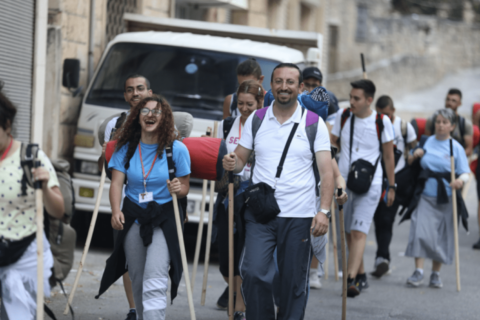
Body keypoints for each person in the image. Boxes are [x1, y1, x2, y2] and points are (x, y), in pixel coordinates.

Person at [223, 63, 334, 320]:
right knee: (254, 272)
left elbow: (326, 172)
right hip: (261, 212)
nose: (284, 87)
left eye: (290, 82)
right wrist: (232, 162)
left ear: (301, 87)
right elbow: (240, 160)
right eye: (279, 81)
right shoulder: (257, 119)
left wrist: (323, 211)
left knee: (293, 283)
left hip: (299, 215)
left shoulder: (314, 124)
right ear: (271, 86)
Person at [95, 95, 191, 320]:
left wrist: (179, 187)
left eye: (156, 111)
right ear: (137, 117)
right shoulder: (125, 149)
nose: (151, 115)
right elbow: (117, 183)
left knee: (155, 276)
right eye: (145, 111)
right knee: (137, 276)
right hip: (133, 214)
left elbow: (185, 185)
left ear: (165, 118)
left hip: (164, 216)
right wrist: (115, 210)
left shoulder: (176, 149)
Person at [0, 91, 65, 319]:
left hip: (25, 254)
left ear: (7, 125)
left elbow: (58, 210)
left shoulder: (31, 157)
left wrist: (46, 186)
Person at [330, 79, 396, 298]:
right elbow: (331, 145)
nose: (351, 101)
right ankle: (361, 274)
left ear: (369, 100)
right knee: (347, 232)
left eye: (356, 98)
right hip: (345, 183)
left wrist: (392, 185)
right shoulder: (344, 116)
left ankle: (351, 280)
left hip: (372, 184)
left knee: (359, 232)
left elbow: (388, 156)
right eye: (350, 97)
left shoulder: (382, 122)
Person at [97, 74, 152, 320]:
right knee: (130, 257)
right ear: (124, 95)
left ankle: (151, 307)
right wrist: (107, 151)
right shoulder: (115, 124)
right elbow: (106, 168)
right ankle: (134, 309)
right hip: (127, 198)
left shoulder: (162, 120)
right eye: (130, 90)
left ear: (149, 92)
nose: (135, 94)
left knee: (155, 259)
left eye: (140, 88)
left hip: (157, 199)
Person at [212, 80, 265, 319]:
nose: (244, 109)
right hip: (228, 196)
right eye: (241, 104)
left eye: (250, 104)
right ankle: (236, 292)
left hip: (254, 197)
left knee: (245, 254)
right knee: (226, 259)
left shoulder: (266, 126)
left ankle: (240, 309)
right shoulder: (227, 125)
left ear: (260, 103)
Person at [403, 108, 470, 288]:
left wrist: (459, 181)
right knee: (419, 231)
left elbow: (465, 172)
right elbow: (409, 161)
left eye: (444, 122)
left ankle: (435, 273)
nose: (440, 125)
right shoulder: (426, 141)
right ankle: (419, 272)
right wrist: (415, 155)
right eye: (438, 121)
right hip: (424, 195)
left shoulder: (455, 147)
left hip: (447, 197)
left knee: (441, 235)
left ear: (452, 126)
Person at [371, 95, 417, 278]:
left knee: (387, 218)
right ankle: (382, 257)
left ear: (393, 112)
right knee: (377, 217)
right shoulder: (373, 124)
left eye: (388, 115)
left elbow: (414, 147)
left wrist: (414, 154)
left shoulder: (404, 127)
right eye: (381, 114)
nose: (385, 119)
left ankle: (383, 258)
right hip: (376, 177)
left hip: (397, 178)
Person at [302, 66, 340, 288]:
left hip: (322, 152)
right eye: (307, 82)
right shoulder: (297, 99)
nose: (311, 86)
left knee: (318, 223)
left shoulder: (329, 100)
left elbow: (332, 130)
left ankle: (314, 271)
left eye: (315, 83)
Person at [425, 88, 473, 157]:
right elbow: (427, 142)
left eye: (453, 100)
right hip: (435, 156)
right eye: (447, 99)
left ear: (459, 103)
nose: (449, 103)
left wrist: (455, 159)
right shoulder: (432, 120)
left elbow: (468, 149)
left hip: (456, 160)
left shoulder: (465, 124)